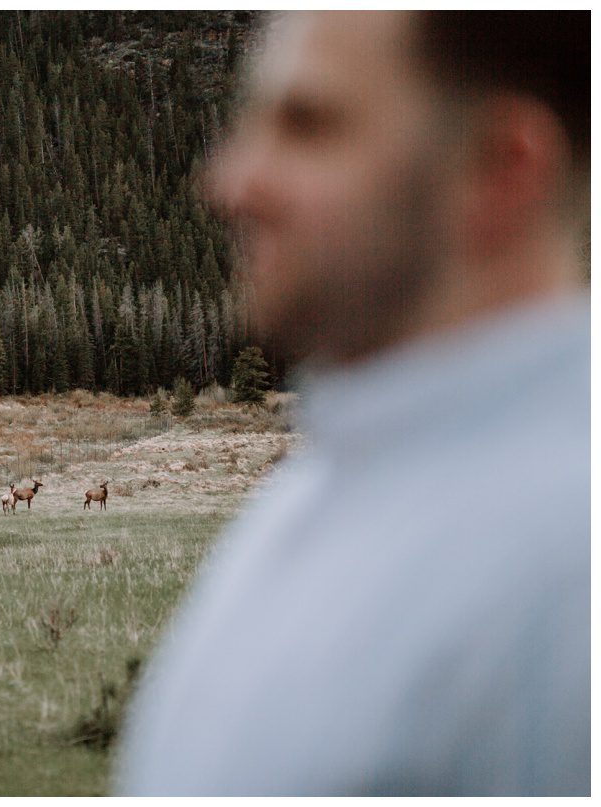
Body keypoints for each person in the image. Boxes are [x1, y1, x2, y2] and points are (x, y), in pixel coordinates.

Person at [116, 11, 588, 796]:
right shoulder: (316, 487)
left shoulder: (571, 573)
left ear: (502, 170)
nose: (229, 183)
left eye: (308, 125)